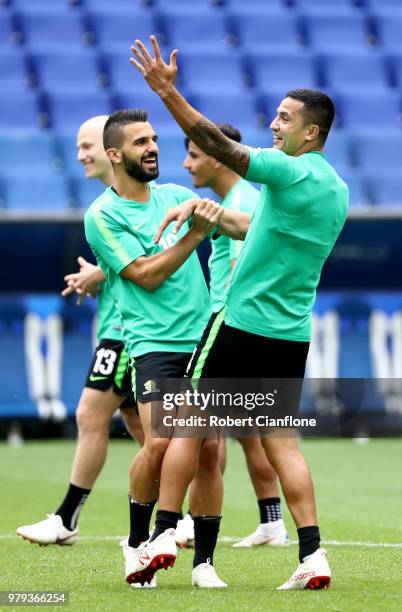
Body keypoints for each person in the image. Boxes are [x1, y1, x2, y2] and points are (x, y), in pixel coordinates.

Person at [128, 35, 349, 590]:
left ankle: (161, 534)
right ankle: (313, 555)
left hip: (241, 320)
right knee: (283, 446)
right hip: (291, 333)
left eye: (284, 118)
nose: (274, 125)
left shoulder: (287, 171)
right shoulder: (337, 191)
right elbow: (261, 231)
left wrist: (167, 93)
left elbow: (218, 145)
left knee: (188, 426)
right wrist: (209, 210)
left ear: (311, 132)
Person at [84, 109, 227, 588]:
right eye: (140, 141)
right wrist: (195, 234)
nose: (153, 148)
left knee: (209, 452)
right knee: (161, 442)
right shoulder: (102, 215)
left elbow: (233, 225)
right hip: (152, 342)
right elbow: (145, 275)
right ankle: (138, 543)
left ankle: (203, 562)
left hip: (202, 340)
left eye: (153, 139)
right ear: (114, 154)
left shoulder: (179, 196)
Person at [17, 116, 143, 548]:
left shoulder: (127, 204)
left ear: (112, 150)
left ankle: (68, 518)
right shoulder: (110, 203)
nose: (79, 156)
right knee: (148, 433)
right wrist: (99, 274)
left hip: (129, 331)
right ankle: (181, 517)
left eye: (86, 145)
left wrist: (100, 274)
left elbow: (145, 263)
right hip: (120, 326)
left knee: (92, 415)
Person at [182, 125, 289, 549]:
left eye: (193, 153)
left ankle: (190, 521)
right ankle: (272, 523)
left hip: (233, 324)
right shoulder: (235, 200)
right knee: (250, 429)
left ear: (214, 155)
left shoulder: (243, 202)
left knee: (205, 428)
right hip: (241, 323)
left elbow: (243, 270)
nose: (187, 163)